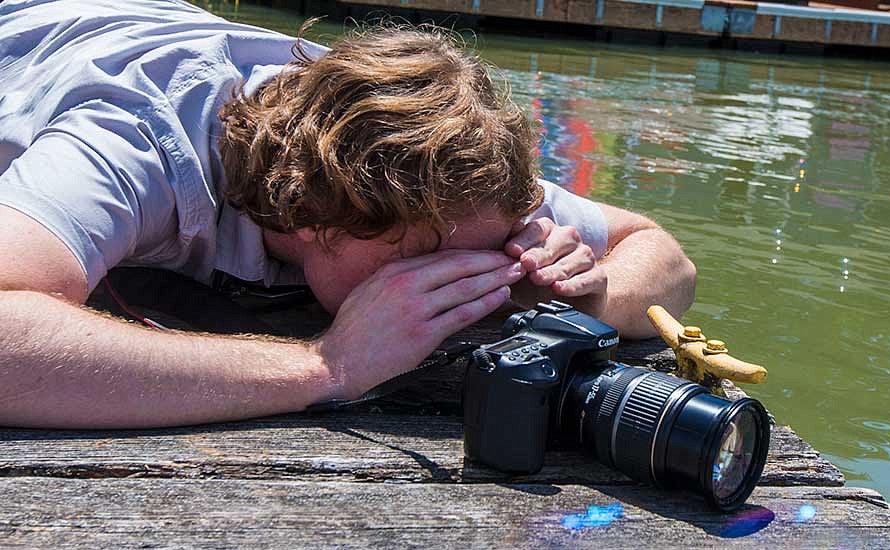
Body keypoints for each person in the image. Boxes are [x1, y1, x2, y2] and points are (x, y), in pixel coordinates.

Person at [0, 1, 696, 429]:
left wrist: (580, 291)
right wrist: (324, 367)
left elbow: (661, 252)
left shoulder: (438, 165)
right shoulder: (137, 142)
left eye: (487, 249)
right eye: (426, 260)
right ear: (309, 213)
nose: (470, 274)